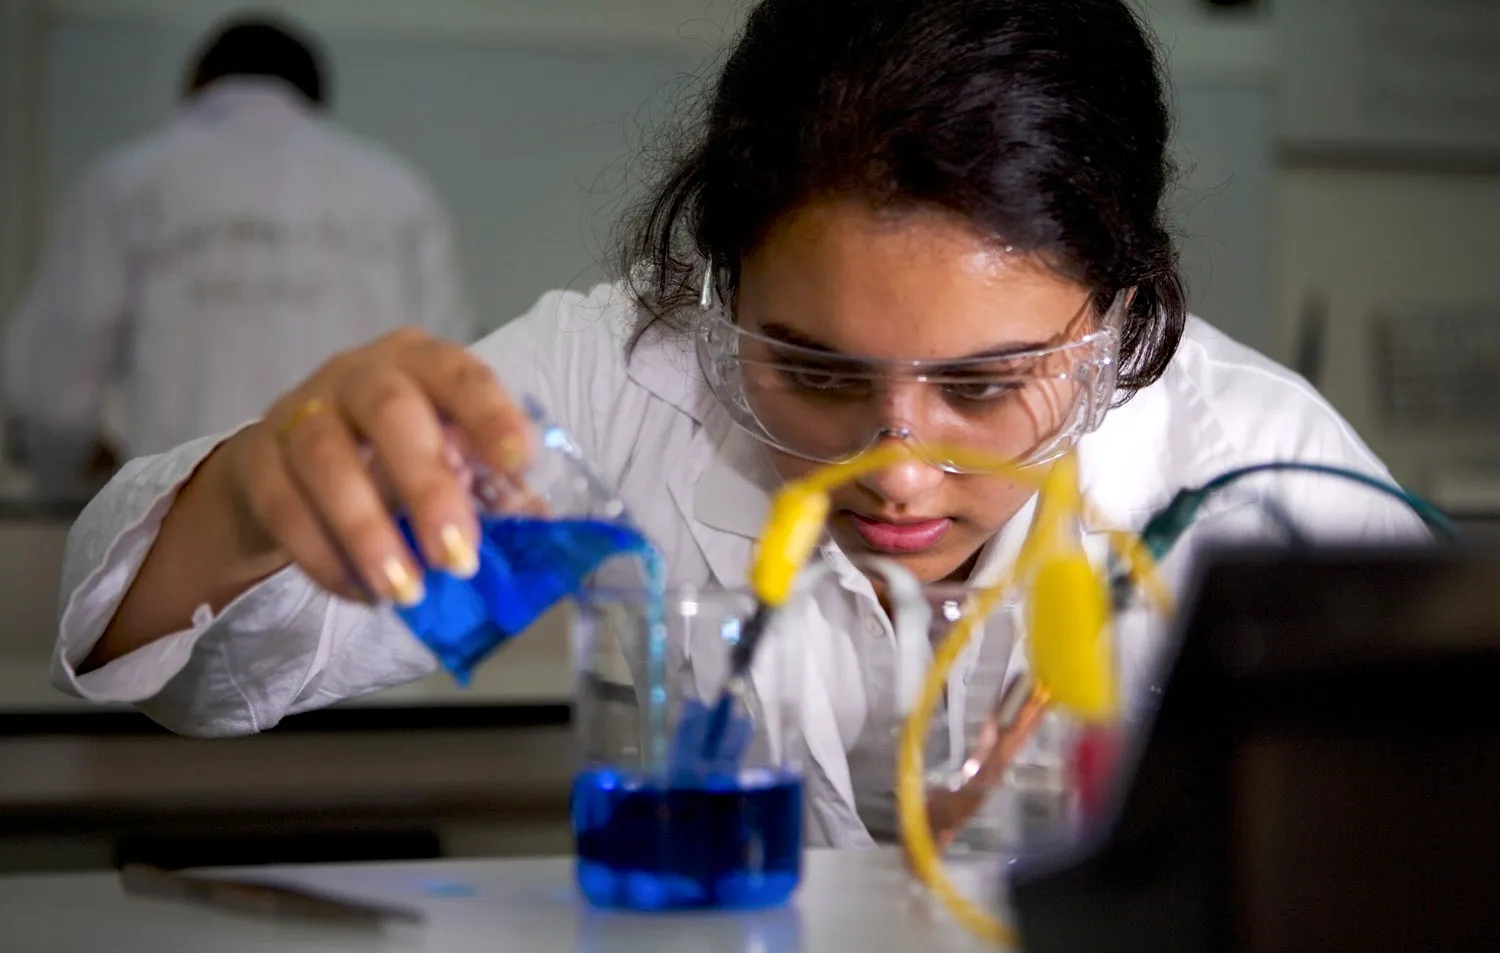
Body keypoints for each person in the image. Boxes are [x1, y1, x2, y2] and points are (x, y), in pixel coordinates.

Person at [50, 0, 1420, 846]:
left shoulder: (1255, 483)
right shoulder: (619, 384)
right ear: (713, 291)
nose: (896, 463)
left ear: (1119, 323)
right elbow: (194, 682)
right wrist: (241, 504)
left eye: (987, 387)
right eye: (814, 372)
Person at [2, 14, 473, 493]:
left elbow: (52, 385)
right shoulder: (398, 191)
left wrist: (64, 477)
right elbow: (443, 365)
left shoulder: (127, 182)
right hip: (357, 518)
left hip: (183, 514)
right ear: (315, 96)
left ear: (198, 83)